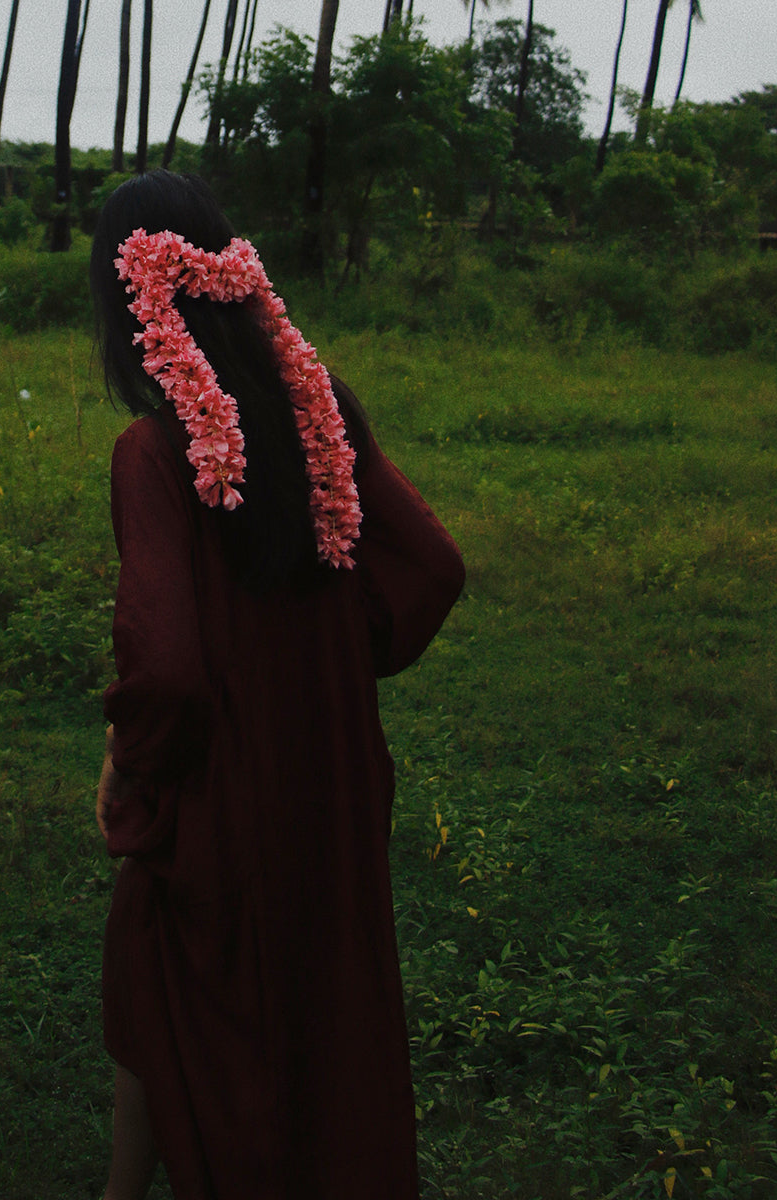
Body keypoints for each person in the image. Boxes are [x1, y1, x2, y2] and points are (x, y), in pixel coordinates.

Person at [90, 170, 464, 1200]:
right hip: (334, 776)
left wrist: (131, 770)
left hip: (224, 787)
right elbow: (432, 568)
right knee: (318, 1001)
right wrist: (336, 664)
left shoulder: (153, 450)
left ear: (127, 303)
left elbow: (164, 668)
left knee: (176, 993)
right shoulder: (320, 409)